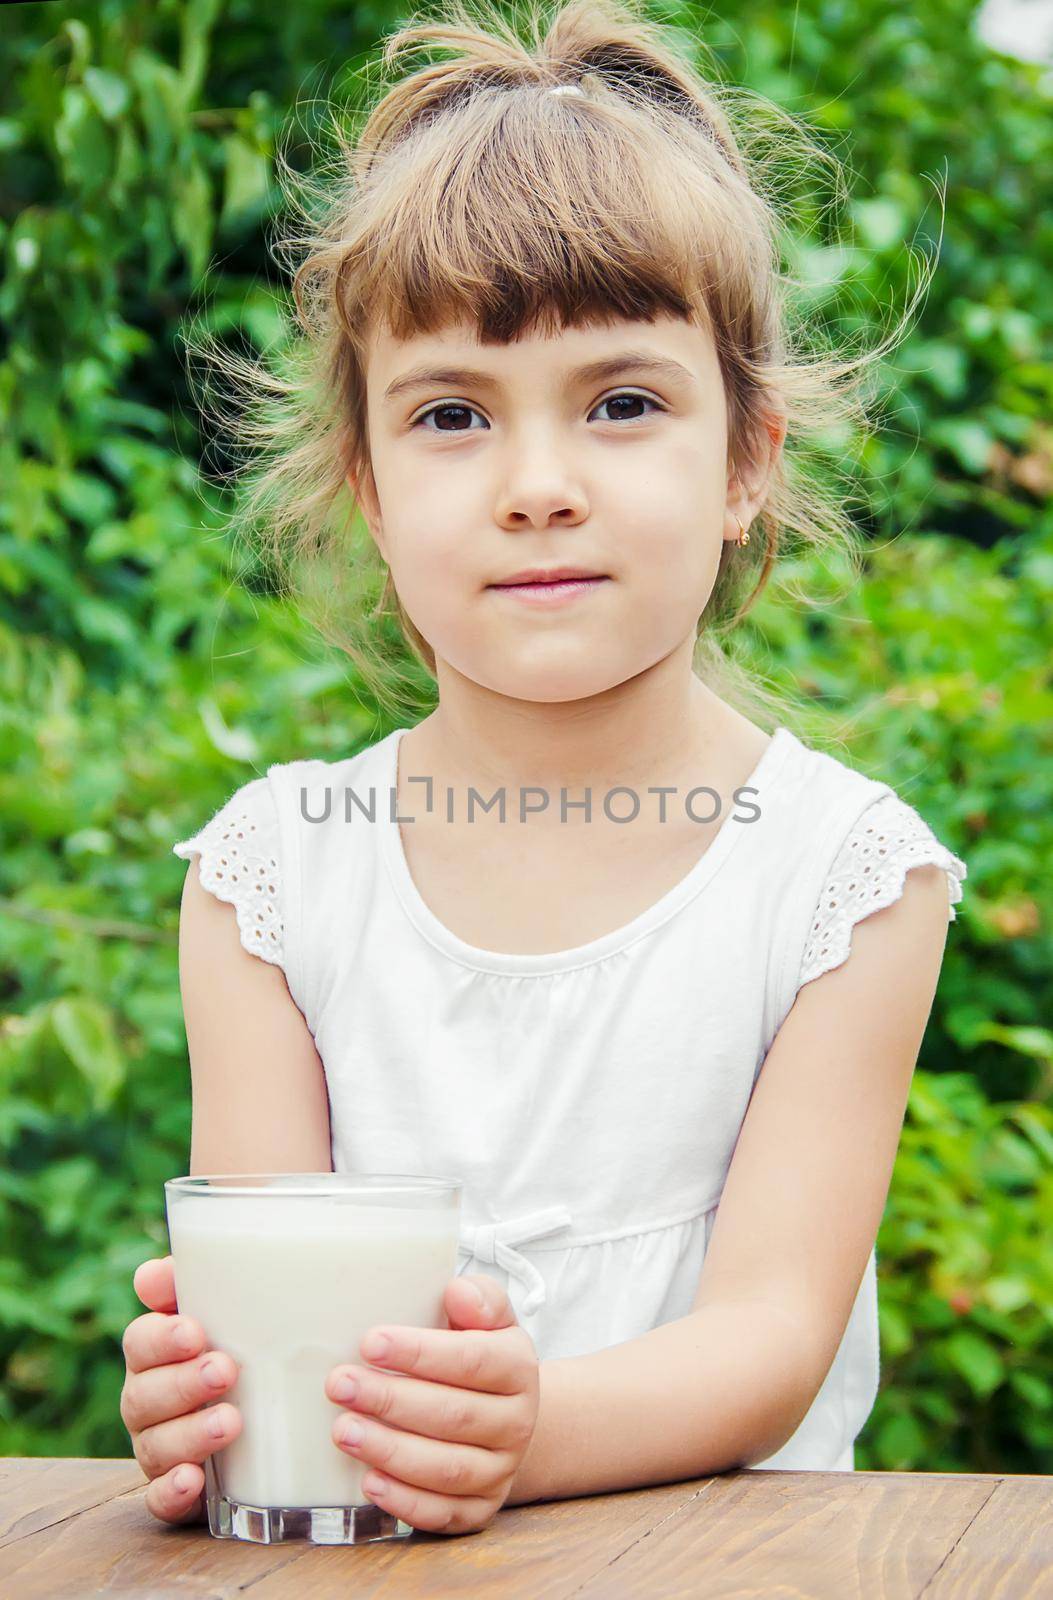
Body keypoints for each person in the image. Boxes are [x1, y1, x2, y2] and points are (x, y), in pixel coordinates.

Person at [119, 0, 967, 1537]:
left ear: (745, 460)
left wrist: (515, 1435)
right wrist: (212, 1398)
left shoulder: (840, 877)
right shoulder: (273, 879)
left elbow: (769, 1340)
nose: (536, 489)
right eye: (453, 415)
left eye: (622, 403)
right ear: (369, 490)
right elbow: (275, 1312)